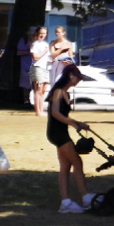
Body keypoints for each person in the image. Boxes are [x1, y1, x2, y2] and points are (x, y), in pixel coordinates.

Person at [45, 69, 92, 214]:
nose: (79, 80)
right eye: (78, 77)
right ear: (70, 76)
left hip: (59, 132)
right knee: (77, 162)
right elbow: (55, 113)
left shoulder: (66, 93)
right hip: (57, 132)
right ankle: (85, 197)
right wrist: (75, 123)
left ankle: (65, 202)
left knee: (65, 166)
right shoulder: (58, 91)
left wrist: (78, 124)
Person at [28, 28, 52, 116]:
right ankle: (38, 111)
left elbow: (48, 58)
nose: (42, 35)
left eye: (44, 33)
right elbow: (35, 58)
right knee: (38, 89)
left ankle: (41, 110)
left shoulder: (46, 44)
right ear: (37, 33)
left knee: (43, 90)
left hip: (45, 68)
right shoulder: (35, 44)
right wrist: (44, 52)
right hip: (37, 67)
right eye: (40, 33)